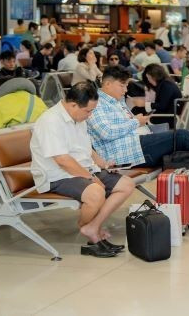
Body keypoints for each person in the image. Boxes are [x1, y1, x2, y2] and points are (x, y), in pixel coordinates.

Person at [87, 66, 189, 218]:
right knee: (181, 136)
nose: (125, 91)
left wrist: (139, 122)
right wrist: (136, 122)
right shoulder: (98, 104)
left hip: (138, 142)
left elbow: (122, 126)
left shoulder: (116, 101)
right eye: (122, 86)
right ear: (107, 84)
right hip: (126, 152)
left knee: (188, 152)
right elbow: (106, 133)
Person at [30, 81, 134, 258]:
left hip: (82, 170)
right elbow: (62, 160)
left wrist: (103, 164)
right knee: (96, 192)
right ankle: (87, 228)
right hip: (57, 176)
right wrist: (92, 178)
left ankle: (92, 227)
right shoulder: (50, 121)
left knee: (127, 184)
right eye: (88, 111)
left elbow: (85, 148)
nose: (90, 115)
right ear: (72, 104)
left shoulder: (77, 117)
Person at [142, 64, 181, 128]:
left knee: (141, 117)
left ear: (154, 76)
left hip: (169, 118)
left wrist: (145, 104)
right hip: (170, 115)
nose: (148, 80)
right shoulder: (166, 83)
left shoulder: (166, 85)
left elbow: (162, 106)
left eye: (149, 78)